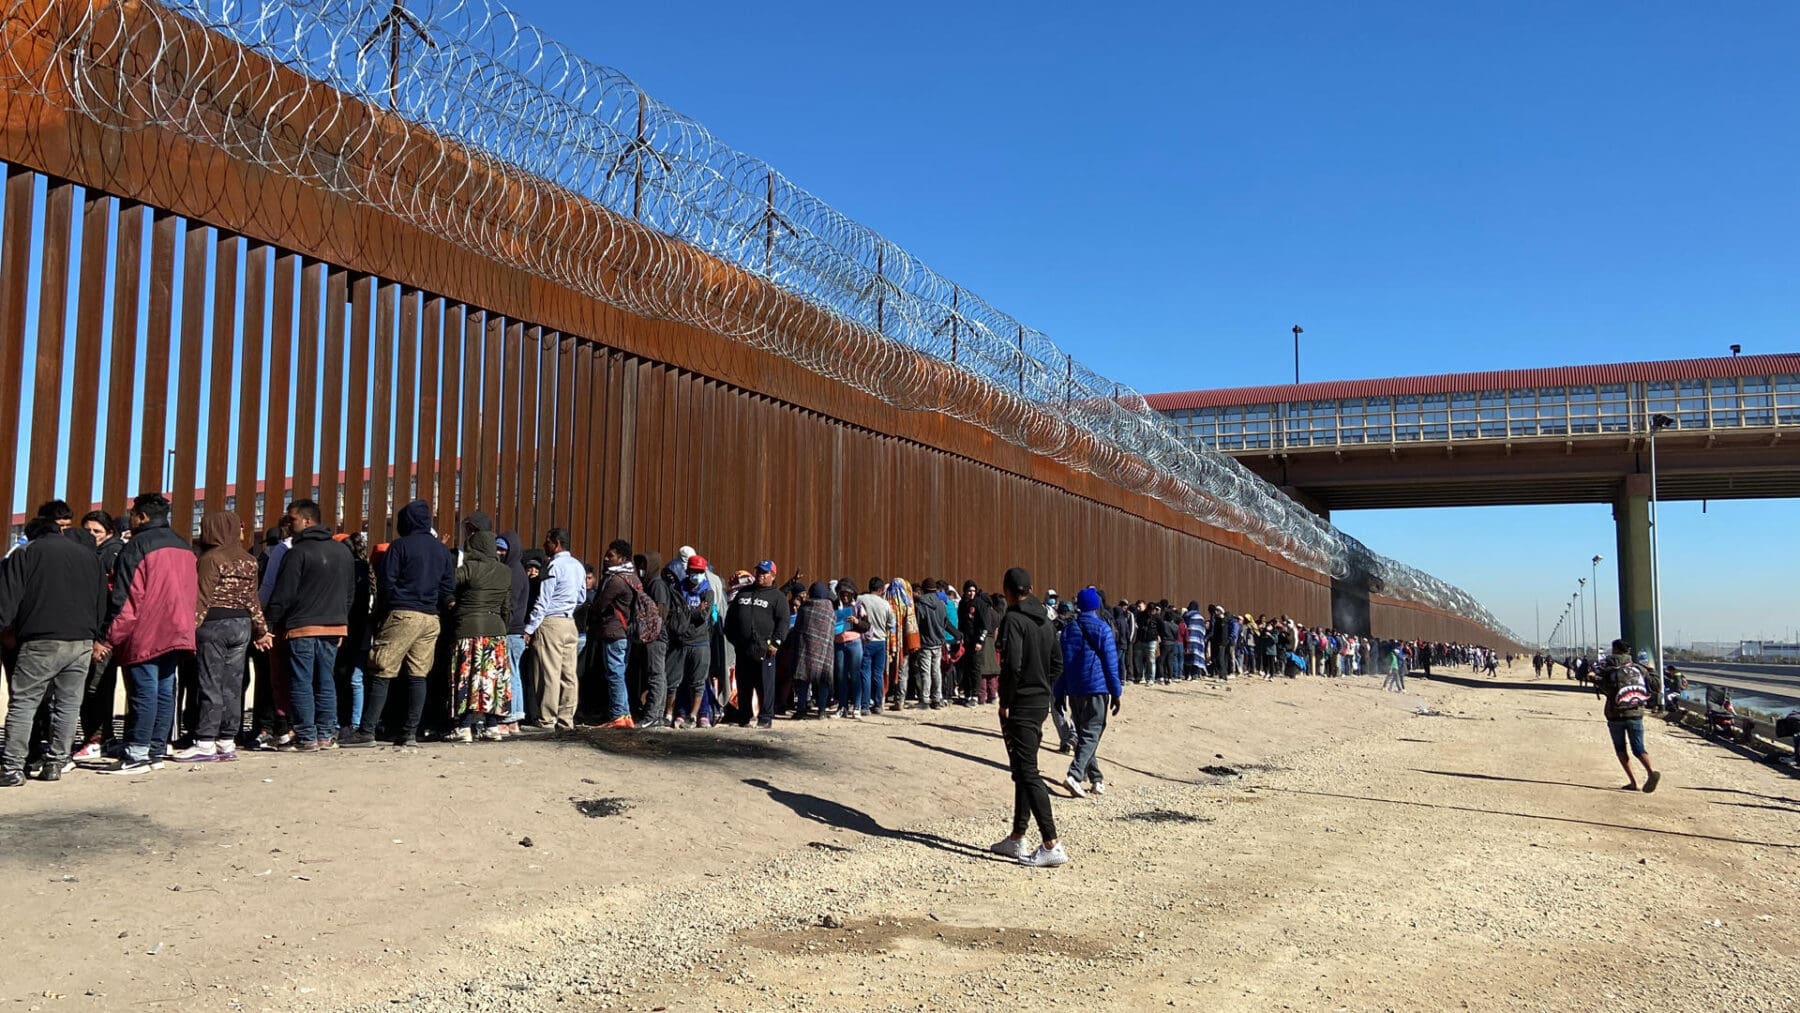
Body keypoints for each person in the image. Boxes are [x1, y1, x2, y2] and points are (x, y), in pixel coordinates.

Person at [94, 493, 198, 775]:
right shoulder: (184, 546)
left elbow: (126, 598)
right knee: (164, 690)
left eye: (133, 513)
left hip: (146, 630)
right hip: (178, 628)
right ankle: (154, 750)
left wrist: (107, 637)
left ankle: (138, 752)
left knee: (145, 692)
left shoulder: (136, 547)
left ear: (141, 516)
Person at [0, 523, 106, 784]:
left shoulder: (26, 553)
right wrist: (96, 635)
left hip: (40, 638)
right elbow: (101, 601)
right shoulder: (89, 556)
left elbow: (8, 598)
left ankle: (12, 767)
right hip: (81, 639)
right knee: (68, 705)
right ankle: (56, 763)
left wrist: (5, 628)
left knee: (24, 702)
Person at [173, 512, 271, 762]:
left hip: (213, 625)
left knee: (209, 683)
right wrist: (260, 630)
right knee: (233, 684)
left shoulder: (210, 558)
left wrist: (187, 631)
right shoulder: (249, 560)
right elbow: (253, 599)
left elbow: (202, 598)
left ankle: (205, 741)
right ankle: (227, 741)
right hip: (242, 625)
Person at [358, 500, 453, 746]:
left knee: (382, 668)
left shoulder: (399, 547)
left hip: (402, 613)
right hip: (431, 618)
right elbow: (447, 588)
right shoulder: (442, 551)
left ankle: (367, 731)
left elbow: (386, 584)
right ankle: (409, 733)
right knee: (418, 674)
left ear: (406, 521)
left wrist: (380, 615)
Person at [989, 567, 1066, 868]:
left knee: (1028, 771)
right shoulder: (1046, 621)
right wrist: (1044, 686)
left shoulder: (1013, 619)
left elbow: (1012, 666)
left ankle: (1051, 843)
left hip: (1020, 703)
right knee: (1023, 768)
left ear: (1007, 590)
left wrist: (1006, 700)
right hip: (1039, 702)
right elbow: (1057, 662)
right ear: (1031, 588)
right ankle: (1017, 836)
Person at [264, 500, 353, 750]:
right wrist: (341, 620)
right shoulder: (342, 552)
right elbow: (349, 592)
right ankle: (325, 734)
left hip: (301, 626)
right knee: (326, 680)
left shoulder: (297, 553)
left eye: (291, 519)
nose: (288, 525)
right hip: (334, 625)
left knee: (301, 681)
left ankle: (306, 736)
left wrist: (269, 623)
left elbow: (284, 593)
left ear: (306, 520)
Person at [445, 531, 514, 742]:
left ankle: (464, 726)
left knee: (469, 677)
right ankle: (492, 726)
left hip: (468, 629)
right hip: (496, 631)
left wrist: (453, 604)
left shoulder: (470, 568)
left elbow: (447, 583)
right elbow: (506, 606)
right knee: (491, 680)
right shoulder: (505, 572)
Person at [1056, 587, 1121, 799]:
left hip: (1075, 689)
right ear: (1097, 606)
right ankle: (1074, 775)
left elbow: (1062, 665)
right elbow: (1111, 663)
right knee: (1092, 732)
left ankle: (1096, 779)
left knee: (1085, 734)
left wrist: (1059, 693)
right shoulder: (1102, 629)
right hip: (1096, 687)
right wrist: (1116, 692)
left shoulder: (1068, 630)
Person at [528, 529, 593, 731]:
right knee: (569, 674)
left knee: (549, 672)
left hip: (551, 623)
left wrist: (530, 627)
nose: (544, 545)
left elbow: (543, 600)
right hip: (570, 623)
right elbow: (582, 597)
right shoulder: (578, 566)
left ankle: (547, 718)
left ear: (556, 543)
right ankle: (567, 718)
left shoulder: (553, 566)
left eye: (547, 542)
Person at [74, 512, 124, 760]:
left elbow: (111, 601)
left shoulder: (110, 555)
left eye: (97, 531)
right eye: (88, 531)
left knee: (95, 688)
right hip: (104, 633)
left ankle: (97, 738)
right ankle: (101, 737)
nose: (92, 535)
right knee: (98, 687)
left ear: (110, 532)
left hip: (103, 635)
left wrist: (103, 637)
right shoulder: (102, 553)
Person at [726, 560, 789, 728]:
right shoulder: (744, 593)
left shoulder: (778, 598)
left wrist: (776, 642)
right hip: (743, 648)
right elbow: (731, 617)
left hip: (765, 649)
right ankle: (744, 716)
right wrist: (734, 638)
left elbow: (783, 622)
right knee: (744, 684)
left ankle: (765, 717)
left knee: (765, 685)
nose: (760, 575)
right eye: (758, 572)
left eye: (764, 573)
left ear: (773, 576)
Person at [1593, 640, 1661, 793]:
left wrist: (1594, 679)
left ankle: (1633, 782)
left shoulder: (1608, 670)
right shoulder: (1639, 669)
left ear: (1615, 650)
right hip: (1636, 713)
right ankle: (1650, 771)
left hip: (1614, 714)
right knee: (1638, 747)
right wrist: (1651, 670)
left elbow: (1606, 689)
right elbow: (1656, 686)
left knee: (1620, 748)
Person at [666, 555, 716, 728]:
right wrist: (692, 610)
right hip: (680, 641)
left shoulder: (707, 591)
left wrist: (687, 610)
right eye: (694, 571)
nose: (697, 575)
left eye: (700, 572)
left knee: (698, 681)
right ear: (687, 571)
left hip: (700, 642)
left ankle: (695, 716)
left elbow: (703, 616)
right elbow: (675, 612)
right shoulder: (678, 588)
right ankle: (674, 713)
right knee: (676, 680)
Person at [496, 531, 531, 734]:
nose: (499, 553)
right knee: (514, 674)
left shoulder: (513, 573)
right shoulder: (517, 571)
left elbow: (510, 606)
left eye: (503, 549)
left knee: (510, 675)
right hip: (516, 632)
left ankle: (511, 717)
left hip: (511, 631)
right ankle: (513, 719)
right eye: (497, 548)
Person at [792, 582, 836, 717]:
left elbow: (797, 628)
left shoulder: (805, 608)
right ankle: (822, 711)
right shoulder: (829, 610)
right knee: (823, 681)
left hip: (806, 650)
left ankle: (801, 709)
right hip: (824, 650)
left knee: (804, 679)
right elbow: (832, 628)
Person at [857, 577, 895, 714]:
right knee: (878, 674)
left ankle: (865, 705)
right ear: (880, 590)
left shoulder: (861, 599)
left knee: (865, 673)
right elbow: (891, 624)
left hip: (866, 640)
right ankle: (878, 704)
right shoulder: (885, 604)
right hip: (881, 641)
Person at [911, 579, 949, 709]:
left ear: (923, 589)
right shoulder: (941, 604)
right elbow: (945, 622)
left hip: (925, 642)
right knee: (936, 671)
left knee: (925, 672)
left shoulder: (920, 605)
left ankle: (925, 699)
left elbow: (917, 624)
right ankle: (937, 698)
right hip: (938, 642)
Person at [831, 580, 867, 719]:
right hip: (839, 643)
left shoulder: (858, 607)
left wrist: (857, 621)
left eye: (848, 594)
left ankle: (857, 706)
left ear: (853, 594)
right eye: (842, 594)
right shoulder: (834, 606)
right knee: (840, 676)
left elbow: (867, 625)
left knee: (855, 674)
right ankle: (842, 706)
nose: (845, 597)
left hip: (854, 643)